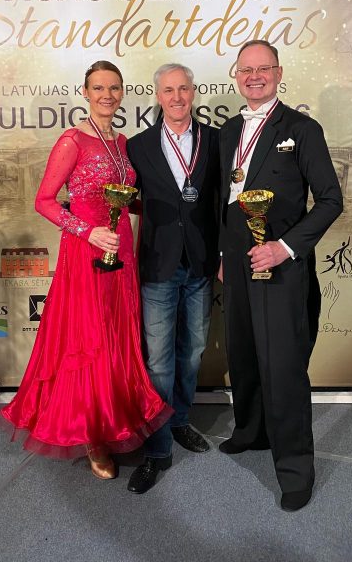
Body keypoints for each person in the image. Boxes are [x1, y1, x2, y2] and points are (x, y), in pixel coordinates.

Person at [0, 60, 172, 479]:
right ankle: (93, 434)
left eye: (114, 88)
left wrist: (166, 207)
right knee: (89, 338)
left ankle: (115, 418)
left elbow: (123, 199)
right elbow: (44, 201)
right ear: (86, 93)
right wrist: (87, 231)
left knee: (116, 336)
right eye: (99, 88)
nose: (107, 95)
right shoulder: (72, 140)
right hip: (86, 251)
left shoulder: (122, 141)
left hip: (121, 250)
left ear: (122, 92)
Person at [218, 40, 343, 511]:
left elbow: (330, 200)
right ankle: (251, 431)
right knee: (243, 353)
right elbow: (223, 198)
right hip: (237, 259)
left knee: (284, 366)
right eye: (246, 69)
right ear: (236, 75)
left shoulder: (302, 129)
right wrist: (222, 253)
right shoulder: (229, 130)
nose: (254, 76)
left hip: (280, 261)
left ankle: (294, 471)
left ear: (278, 73)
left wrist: (284, 248)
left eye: (263, 69)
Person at [125, 63, 220, 494]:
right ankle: (157, 447)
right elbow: (125, 199)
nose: (177, 97)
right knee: (159, 361)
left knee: (194, 351)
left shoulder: (215, 140)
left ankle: (180, 420)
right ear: (158, 95)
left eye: (183, 89)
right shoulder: (138, 146)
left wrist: (222, 254)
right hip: (158, 265)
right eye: (168, 90)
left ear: (193, 92)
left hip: (201, 263)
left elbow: (223, 200)